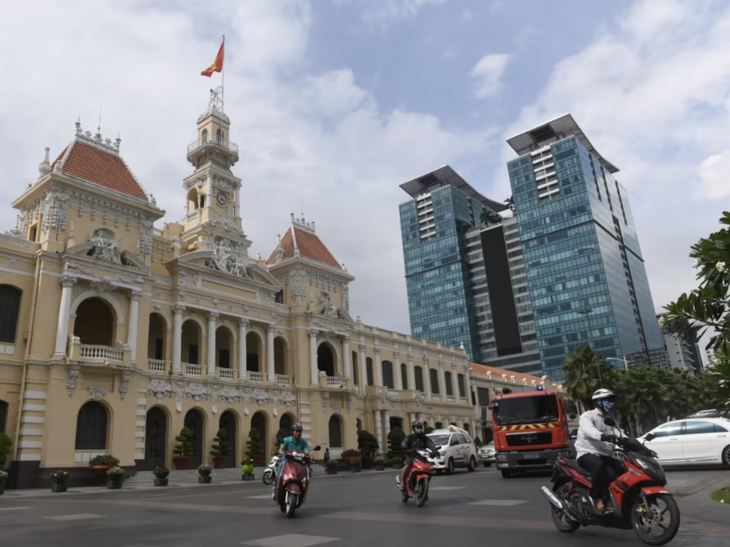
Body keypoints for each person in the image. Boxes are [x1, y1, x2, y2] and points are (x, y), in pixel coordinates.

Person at [574, 388, 626, 515]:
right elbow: (589, 430)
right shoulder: (587, 416)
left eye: (612, 400)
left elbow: (622, 435)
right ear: (599, 402)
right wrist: (602, 436)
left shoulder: (610, 420)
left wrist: (641, 447)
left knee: (620, 469)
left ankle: (614, 500)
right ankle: (597, 498)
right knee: (599, 466)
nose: (612, 403)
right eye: (608, 400)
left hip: (604, 454)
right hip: (586, 453)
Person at [398, 419, 438, 491]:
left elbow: (431, 444)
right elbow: (404, 443)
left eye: (420, 427)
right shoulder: (410, 437)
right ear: (413, 428)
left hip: (422, 458)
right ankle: (402, 482)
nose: (419, 429)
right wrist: (406, 448)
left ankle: (424, 487)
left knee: (430, 468)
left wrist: (434, 451)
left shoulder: (425, 438)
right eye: (417, 427)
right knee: (407, 466)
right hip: (412, 456)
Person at [274, 423, 310, 496]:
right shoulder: (286, 440)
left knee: (307, 473)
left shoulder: (303, 442)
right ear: (292, 432)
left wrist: (308, 454)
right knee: (280, 474)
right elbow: (281, 449)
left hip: (299, 463)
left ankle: (303, 491)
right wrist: (282, 452)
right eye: (296, 431)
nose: (298, 433)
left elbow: (307, 451)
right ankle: (277, 488)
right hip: (286, 461)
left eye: (300, 431)